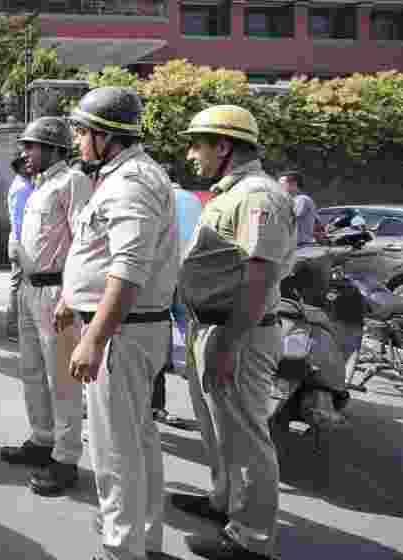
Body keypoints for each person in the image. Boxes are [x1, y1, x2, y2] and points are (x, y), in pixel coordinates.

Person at [59, 86, 179, 560]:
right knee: (137, 442)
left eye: (82, 132)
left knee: (113, 450)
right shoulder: (126, 175)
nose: (76, 141)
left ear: (105, 137)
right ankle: (140, 540)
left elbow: (128, 269)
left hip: (122, 334)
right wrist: (74, 298)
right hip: (130, 328)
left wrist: (93, 338)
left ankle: (119, 548)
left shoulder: (130, 182)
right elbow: (103, 255)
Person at [175, 105, 296, 560]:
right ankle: (223, 501)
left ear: (223, 146)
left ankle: (251, 539)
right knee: (218, 429)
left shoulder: (259, 196)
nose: (191, 154)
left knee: (245, 436)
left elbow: (259, 275)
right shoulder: (234, 192)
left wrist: (230, 340)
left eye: (198, 144)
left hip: (238, 333)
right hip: (214, 328)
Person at [0, 117, 92, 497]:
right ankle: (42, 438)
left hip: (57, 292)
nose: (25, 153)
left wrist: (71, 296)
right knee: (33, 370)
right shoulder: (39, 186)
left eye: (32, 146)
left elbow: (85, 242)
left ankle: (66, 456)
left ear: (54, 148)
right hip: (30, 288)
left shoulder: (73, 182)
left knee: (62, 380)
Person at [151, 170, 204, 429]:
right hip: (189, 270)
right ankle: (192, 368)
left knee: (161, 325)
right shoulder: (194, 199)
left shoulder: (160, 197)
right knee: (186, 323)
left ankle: (166, 364)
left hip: (163, 271)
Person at [6, 154, 35, 343]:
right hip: (20, 243)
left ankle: (16, 328)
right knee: (17, 287)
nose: (31, 165)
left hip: (18, 242)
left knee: (20, 285)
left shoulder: (25, 184)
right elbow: (18, 220)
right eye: (27, 163)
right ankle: (13, 330)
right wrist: (22, 246)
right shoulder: (22, 188)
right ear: (22, 167)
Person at [279, 170, 317, 245]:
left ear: (293, 183)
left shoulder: (302, 199)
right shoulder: (292, 200)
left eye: (281, 184)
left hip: (302, 246)